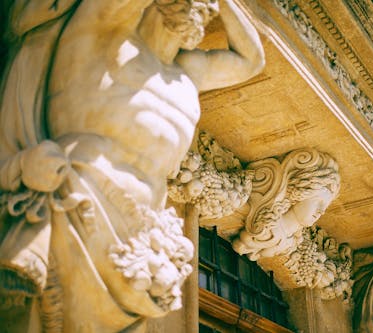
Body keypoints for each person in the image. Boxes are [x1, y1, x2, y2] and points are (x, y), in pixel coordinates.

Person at [0, 0, 264, 331]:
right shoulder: (105, 32)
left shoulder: (186, 76)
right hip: (79, 208)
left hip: (144, 250)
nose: (201, 9)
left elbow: (252, 60)